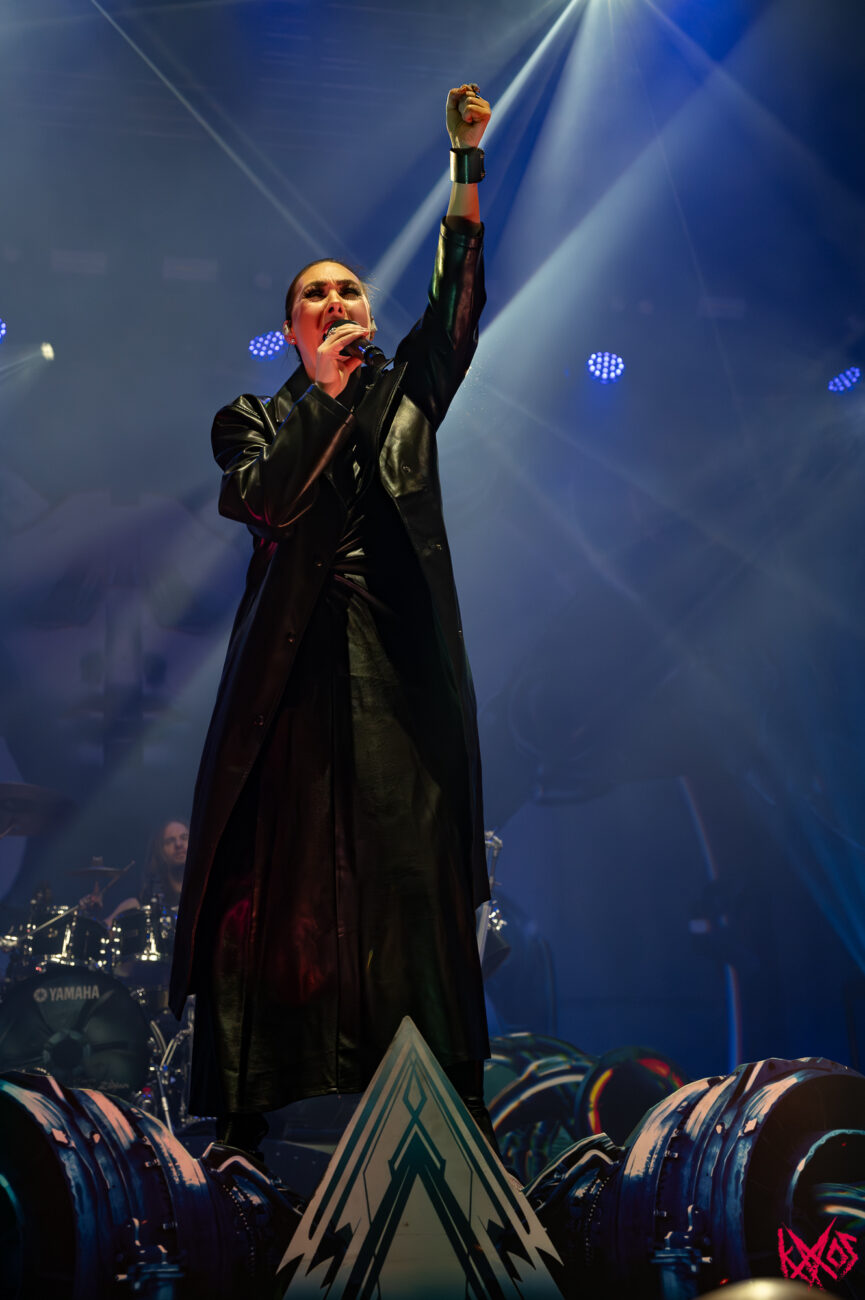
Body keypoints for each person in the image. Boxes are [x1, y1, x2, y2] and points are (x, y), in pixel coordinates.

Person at [169, 84, 494, 1159]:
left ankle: (453, 1110)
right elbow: (266, 502)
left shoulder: (408, 393)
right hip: (291, 683)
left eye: (350, 288)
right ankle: (243, 1125)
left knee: (413, 885)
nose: (339, 300)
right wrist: (325, 391)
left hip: (396, 674)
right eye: (318, 294)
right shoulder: (254, 418)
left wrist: (465, 166)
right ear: (293, 328)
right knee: (272, 896)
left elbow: (457, 300)